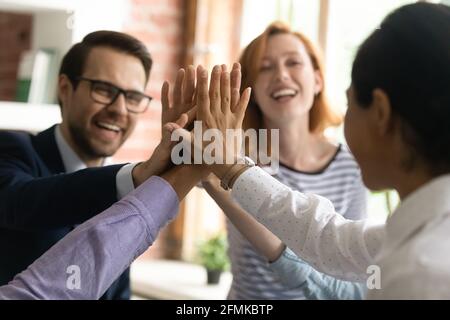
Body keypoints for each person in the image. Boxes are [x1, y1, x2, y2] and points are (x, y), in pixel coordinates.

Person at [179, 2, 450, 299]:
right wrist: (228, 169)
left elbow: (339, 263)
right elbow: (330, 240)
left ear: (380, 113)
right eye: (265, 68)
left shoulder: (420, 273)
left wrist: (230, 171)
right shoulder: (413, 238)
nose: (281, 76)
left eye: (350, 103)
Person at [0, 30, 195, 299]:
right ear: (65, 88)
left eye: (133, 97)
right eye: (104, 90)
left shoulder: (122, 194)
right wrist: (135, 178)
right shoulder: (12, 149)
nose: (120, 109)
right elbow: (21, 202)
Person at [202, 22, 367, 299]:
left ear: (317, 80)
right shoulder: (231, 157)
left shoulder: (352, 167)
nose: (281, 75)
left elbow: (353, 272)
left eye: (293, 63)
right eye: (265, 67)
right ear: (249, 89)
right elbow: (176, 171)